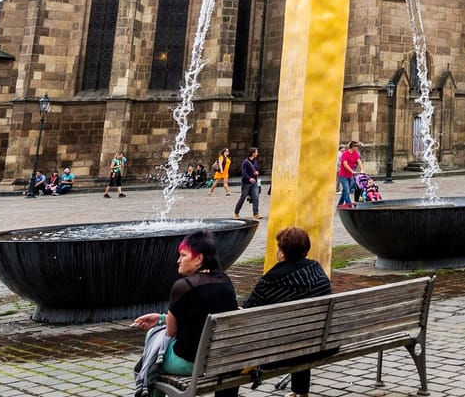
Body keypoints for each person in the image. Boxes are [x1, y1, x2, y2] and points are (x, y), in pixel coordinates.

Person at [134, 231, 238, 384]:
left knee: (151, 353)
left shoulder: (184, 286)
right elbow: (199, 318)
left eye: (183, 255)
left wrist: (162, 323)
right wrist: (161, 318)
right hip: (221, 359)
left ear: (198, 258)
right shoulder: (225, 281)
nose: (178, 260)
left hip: (190, 363)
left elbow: (171, 332)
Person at [240, 225, 334, 395]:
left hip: (283, 352)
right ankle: (300, 392)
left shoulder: (272, 279)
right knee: (302, 330)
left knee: (293, 335)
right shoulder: (317, 270)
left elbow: (246, 311)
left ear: (282, 252)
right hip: (322, 345)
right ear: (306, 249)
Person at [233, 148, 261, 218]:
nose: (257, 154)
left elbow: (256, 169)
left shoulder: (255, 161)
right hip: (246, 183)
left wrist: (257, 172)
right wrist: (249, 178)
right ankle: (236, 213)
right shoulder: (245, 162)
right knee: (243, 197)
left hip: (254, 182)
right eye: (256, 152)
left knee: (256, 197)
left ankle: (256, 214)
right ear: (253, 153)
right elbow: (243, 173)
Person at [336, 143, 362, 207]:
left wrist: (362, 170)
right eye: (356, 146)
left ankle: (339, 205)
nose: (357, 147)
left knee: (345, 191)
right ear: (352, 147)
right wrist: (352, 171)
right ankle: (350, 206)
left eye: (357, 146)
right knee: (347, 191)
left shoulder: (356, 153)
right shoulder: (345, 154)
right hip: (343, 175)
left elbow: (359, 161)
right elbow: (345, 164)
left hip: (350, 176)